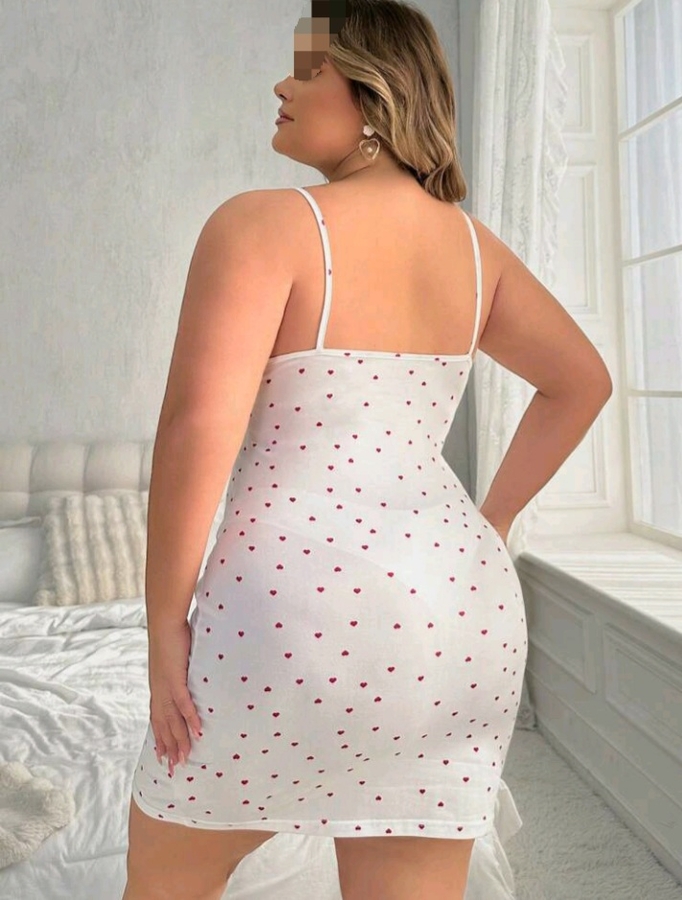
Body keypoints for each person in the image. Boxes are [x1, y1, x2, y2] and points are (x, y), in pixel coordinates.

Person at [122, 2, 613, 899]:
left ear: (375, 93)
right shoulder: (476, 250)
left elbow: (197, 430)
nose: (282, 85)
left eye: (309, 68)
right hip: (459, 618)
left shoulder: (260, 224)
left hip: (294, 613)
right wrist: (491, 524)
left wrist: (163, 627)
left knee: (166, 879)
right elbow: (583, 382)